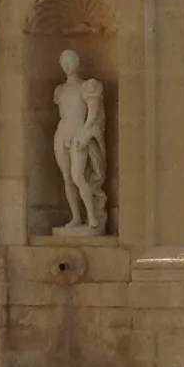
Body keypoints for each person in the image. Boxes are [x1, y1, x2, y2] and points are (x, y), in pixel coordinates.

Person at [52, 49, 107, 234]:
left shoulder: (87, 86)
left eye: (69, 61)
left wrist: (85, 134)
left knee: (78, 176)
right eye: (63, 62)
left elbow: (93, 114)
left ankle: (91, 216)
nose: (66, 65)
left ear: (77, 63)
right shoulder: (60, 90)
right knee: (67, 178)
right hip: (61, 133)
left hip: (78, 133)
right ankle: (76, 216)